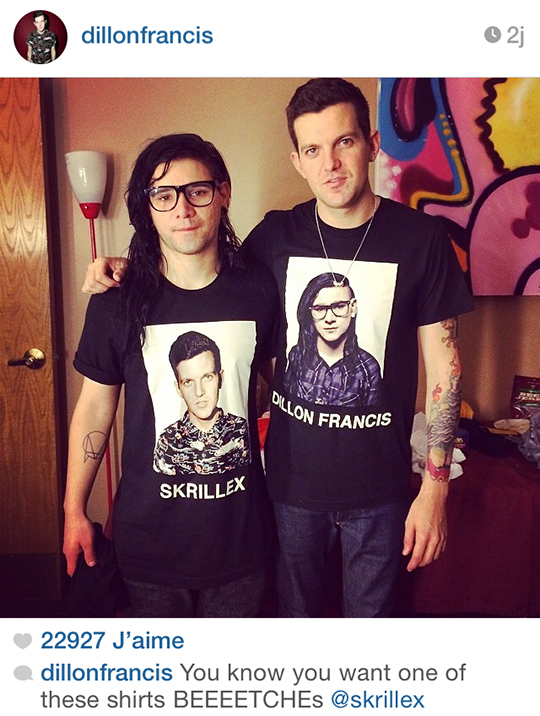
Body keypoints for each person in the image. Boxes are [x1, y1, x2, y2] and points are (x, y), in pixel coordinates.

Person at [83, 78, 474, 618]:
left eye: (344, 142)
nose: (330, 164)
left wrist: (435, 490)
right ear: (297, 160)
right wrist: (126, 270)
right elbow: (201, 272)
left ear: (372, 145)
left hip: (380, 491)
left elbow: (445, 371)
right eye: (313, 149)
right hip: (290, 491)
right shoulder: (274, 238)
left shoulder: (421, 240)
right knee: (294, 631)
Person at [64, 133, 278, 618]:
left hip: (241, 543)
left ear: (223, 194)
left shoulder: (259, 290)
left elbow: (276, 383)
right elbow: (94, 408)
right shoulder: (115, 301)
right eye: (164, 195)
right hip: (149, 547)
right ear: (148, 207)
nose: (183, 209)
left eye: (197, 191)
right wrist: (74, 510)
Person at [153, 330, 249, 476]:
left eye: (207, 377)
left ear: (220, 379)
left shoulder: (239, 429)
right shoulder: (167, 441)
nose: (199, 392)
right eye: (188, 382)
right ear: (178, 389)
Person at [283, 271, 381, 407]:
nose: (329, 319)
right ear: (309, 312)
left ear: (353, 307)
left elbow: (373, 416)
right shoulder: (298, 355)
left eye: (339, 306)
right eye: (319, 309)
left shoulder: (368, 367)